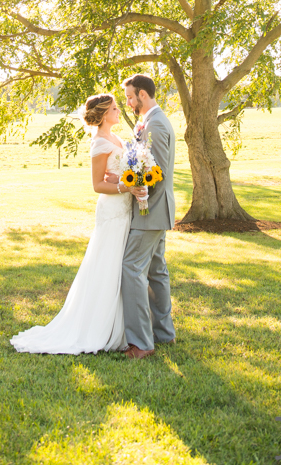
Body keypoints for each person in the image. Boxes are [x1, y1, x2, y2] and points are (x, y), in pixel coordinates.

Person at [9, 93, 145, 355]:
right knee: (107, 263)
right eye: (116, 108)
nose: (119, 111)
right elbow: (97, 185)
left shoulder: (115, 137)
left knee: (121, 265)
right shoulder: (99, 143)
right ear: (105, 114)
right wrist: (125, 186)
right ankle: (99, 327)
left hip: (125, 207)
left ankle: (126, 326)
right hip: (112, 211)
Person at [118, 74, 176, 360]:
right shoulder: (149, 121)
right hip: (152, 211)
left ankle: (141, 343)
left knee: (131, 268)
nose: (128, 103)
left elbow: (158, 171)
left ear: (142, 94)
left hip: (150, 210)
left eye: (130, 97)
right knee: (156, 272)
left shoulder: (155, 123)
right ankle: (164, 334)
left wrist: (138, 191)